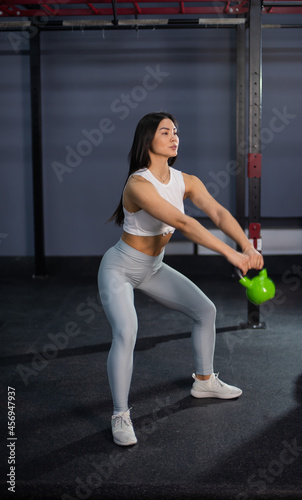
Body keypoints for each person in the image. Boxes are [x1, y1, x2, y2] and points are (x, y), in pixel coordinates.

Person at [98, 112, 264, 447]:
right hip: (119, 268)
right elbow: (184, 224)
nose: (174, 137)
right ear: (148, 140)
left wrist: (247, 245)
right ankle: (119, 415)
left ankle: (204, 381)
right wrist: (232, 256)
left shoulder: (185, 180)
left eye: (176, 131)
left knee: (206, 311)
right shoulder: (138, 184)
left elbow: (218, 213)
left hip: (153, 268)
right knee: (127, 332)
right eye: (165, 132)